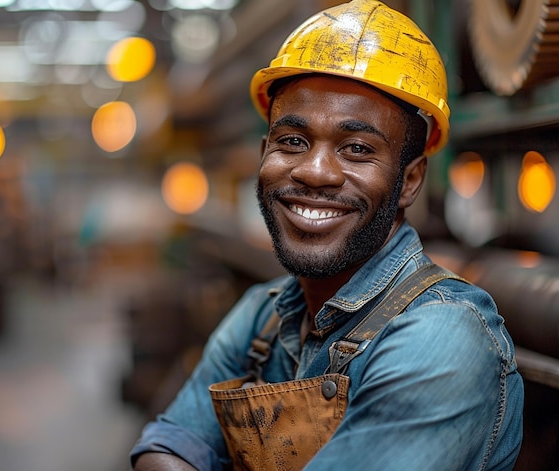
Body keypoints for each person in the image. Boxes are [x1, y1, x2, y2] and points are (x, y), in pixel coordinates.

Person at [130, 0, 524, 469]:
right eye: (292, 142)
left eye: (357, 149)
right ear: (263, 153)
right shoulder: (264, 315)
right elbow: (168, 446)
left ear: (411, 180)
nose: (314, 172)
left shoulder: (442, 337)